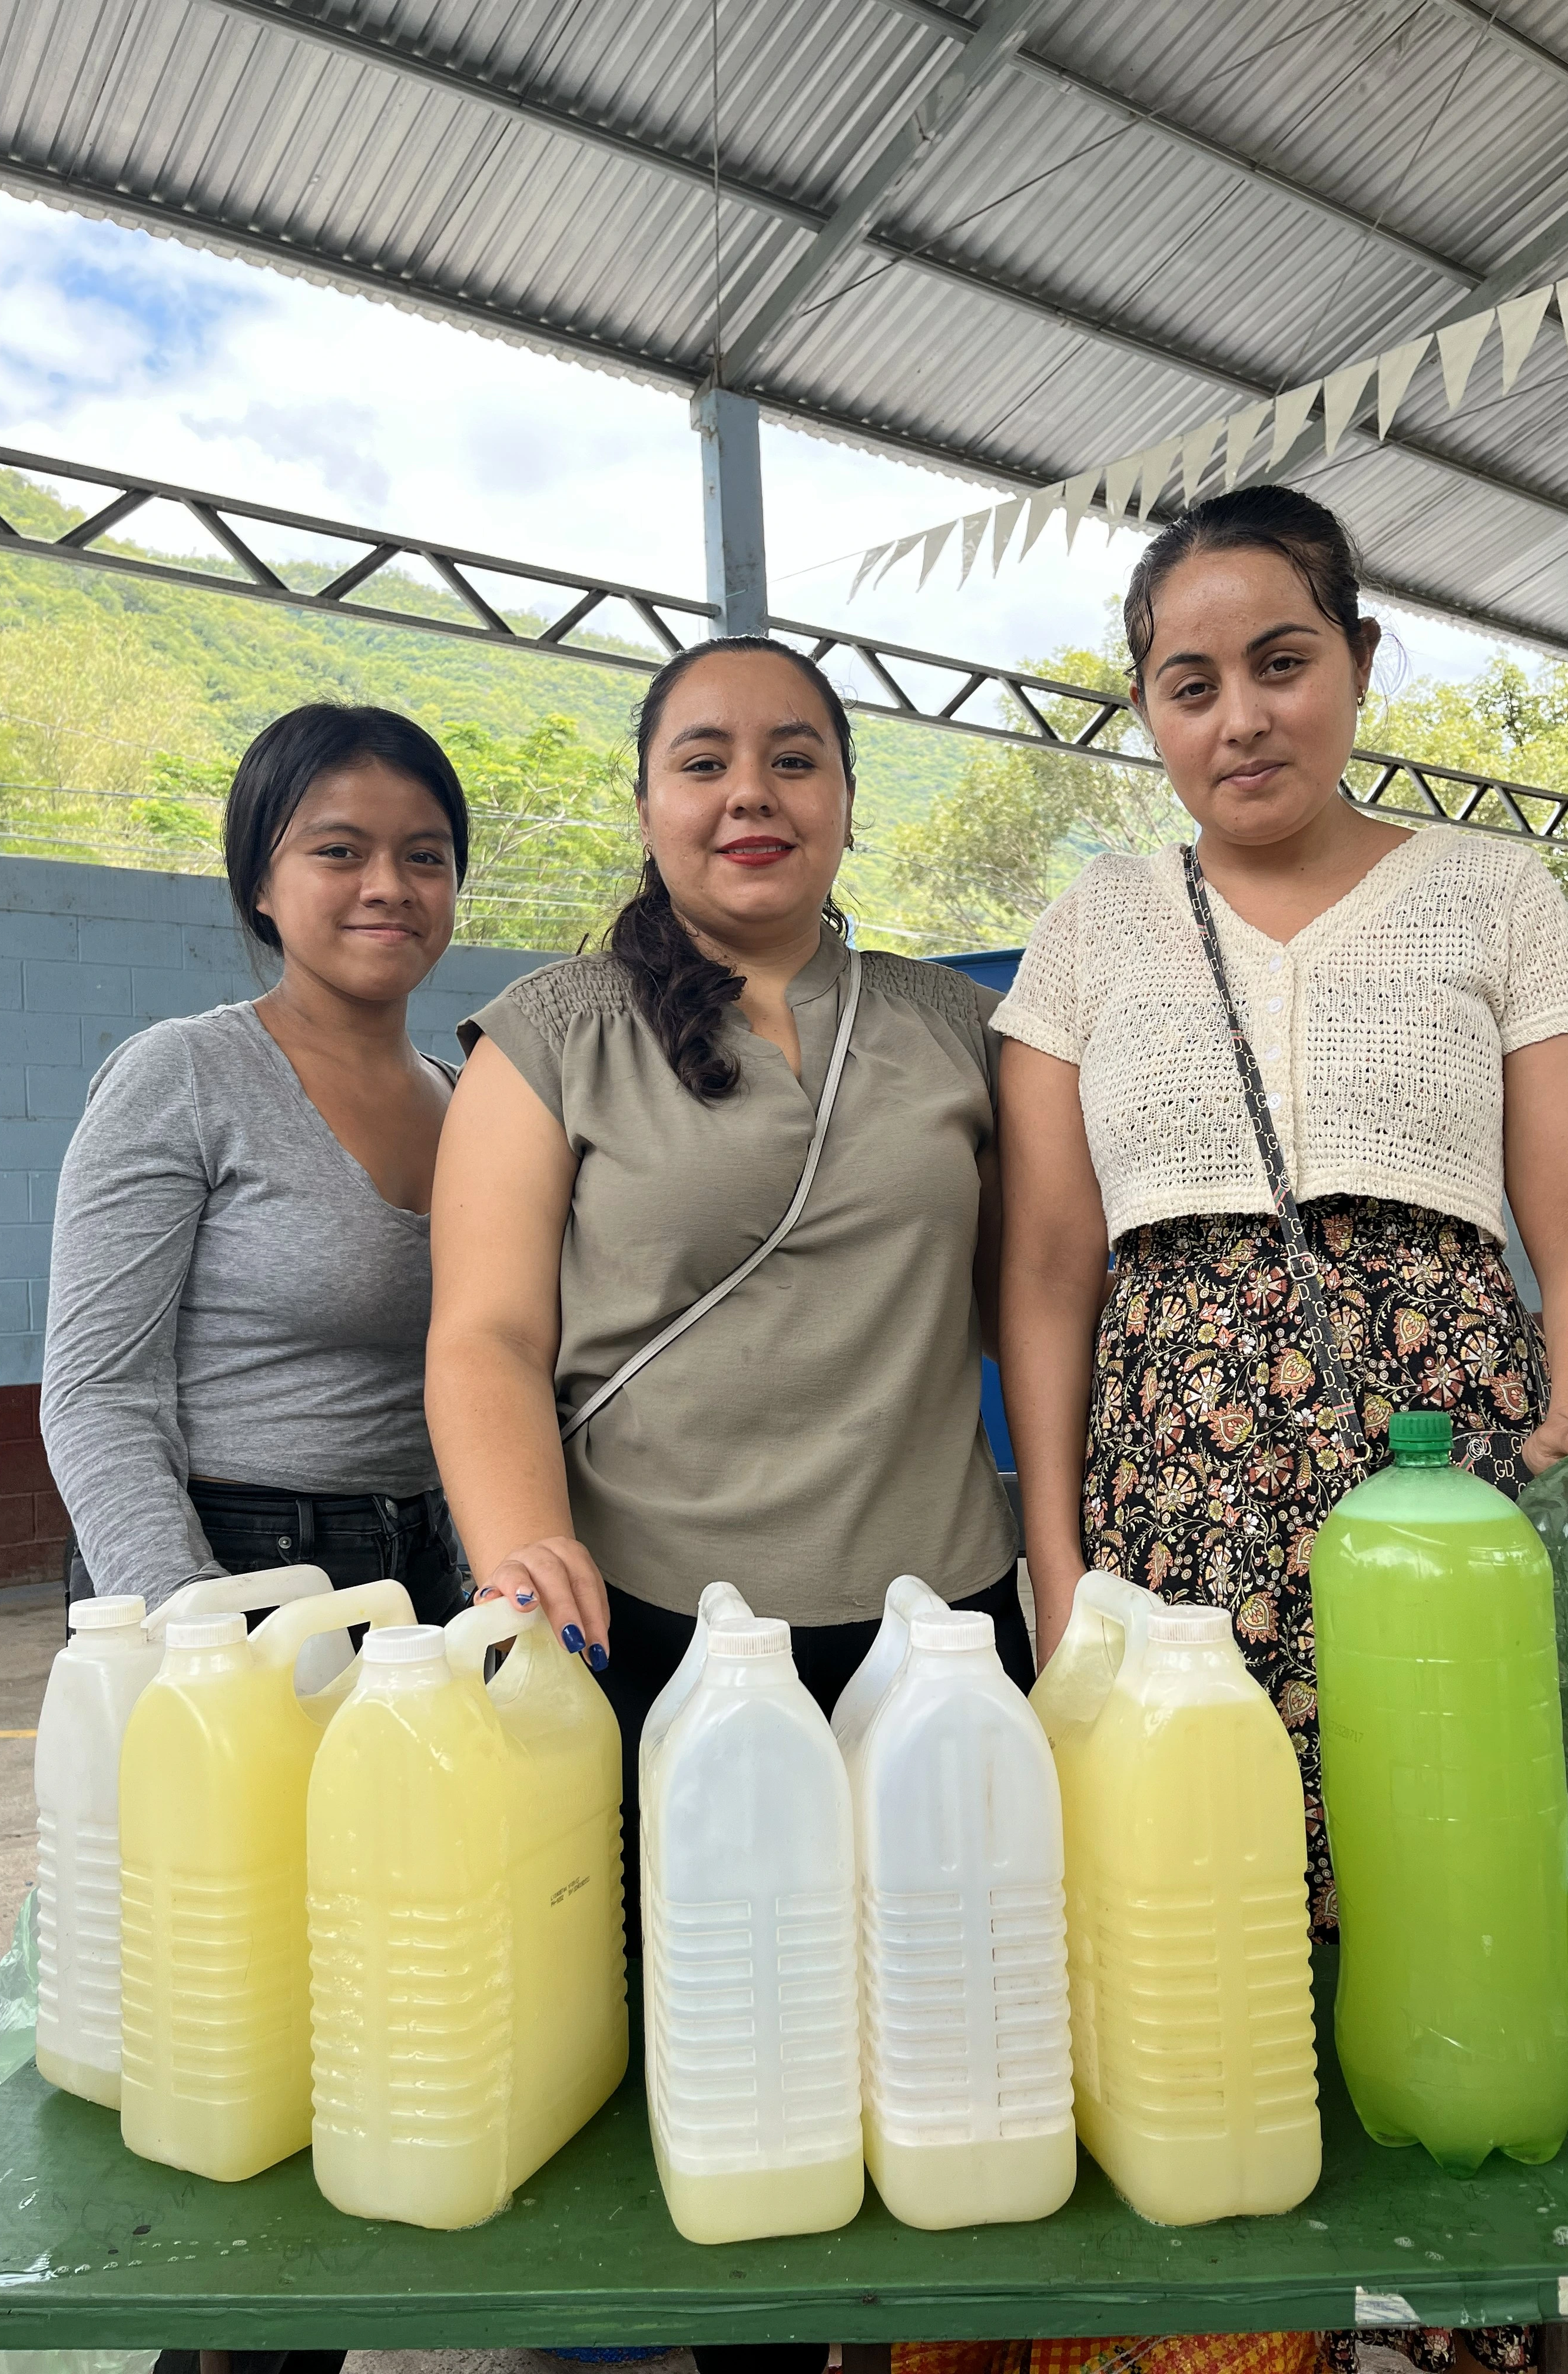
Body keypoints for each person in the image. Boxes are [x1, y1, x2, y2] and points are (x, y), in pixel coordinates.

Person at [994, 484, 1568, 2374]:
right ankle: (1240, 2319)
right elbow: (1052, 1265)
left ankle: (1487, 2307)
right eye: (1190, 682)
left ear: (1361, 664)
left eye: (1283, 664)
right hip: (1172, 1491)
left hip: (1449, 1477)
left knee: (1453, 1865)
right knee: (1204, 1905)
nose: (1243, 719)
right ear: (1147, 710)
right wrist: (1059, 1564)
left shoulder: (1491, 894)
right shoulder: (1094, 928)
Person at [425, 636, 1019, 2374]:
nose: (748, 794)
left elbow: (1049, 1295)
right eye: (702, 761)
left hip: (941, 1636)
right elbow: (486, 1330)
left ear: (846, 797)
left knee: (949, 2060)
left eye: (792, 759)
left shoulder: (961, 1030)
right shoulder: (550, 1032)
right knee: (723, 2080)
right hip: (660, 1636)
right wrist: (519, 1540)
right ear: (646, 803)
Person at [42, 702, 473, 1627]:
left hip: (429, 1577)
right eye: (340, 851)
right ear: (260, 886)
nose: (390, 885)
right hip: (229, 1562)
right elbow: (96, 1392)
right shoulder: (186, 1075)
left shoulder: (477, 1102)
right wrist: (192, 1615)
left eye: (425, 856)